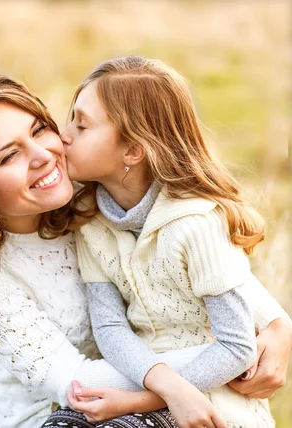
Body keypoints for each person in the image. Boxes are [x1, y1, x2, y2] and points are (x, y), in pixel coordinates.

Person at [0, 70, 292, 428]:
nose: (44, 156)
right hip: (62, 415)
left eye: (38, 130)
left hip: (153, 395)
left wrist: (277, 326)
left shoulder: (95, 202)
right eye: (9, 156)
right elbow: (79, 385)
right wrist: (232, 352)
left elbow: (204, 269)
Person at [60, 56, 292, 428]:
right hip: (142, 381)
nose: (64, 135)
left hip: (213, 399)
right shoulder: (90, 221)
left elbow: (236, 347)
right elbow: (109, 328)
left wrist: (140, 402)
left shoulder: (197, 224)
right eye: (71, 118)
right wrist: (150, 391)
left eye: (82, 125)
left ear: (133, 151)